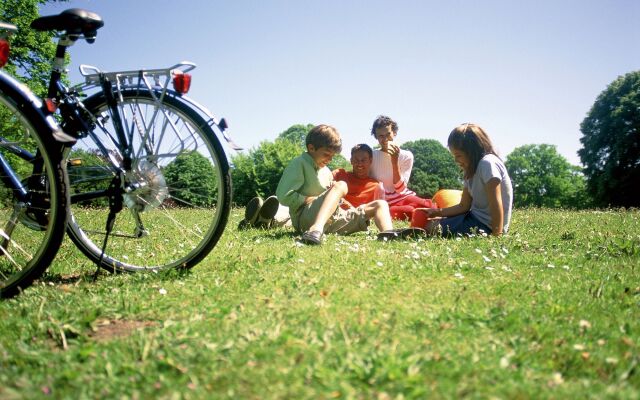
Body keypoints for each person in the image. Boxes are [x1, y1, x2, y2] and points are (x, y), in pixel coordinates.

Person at [275, 124, 421, 245]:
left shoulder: (325, 170)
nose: (330, 159)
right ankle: (315, 230)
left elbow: (330, 198)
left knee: (380, 204)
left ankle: (389, 234)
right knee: (342, 185)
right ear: (312, 148)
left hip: (333, 219)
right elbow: (283, 196)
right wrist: (309, 199)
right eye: (326, 154)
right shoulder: (299, 163)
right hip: (305, 219)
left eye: (332, 156)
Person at [420, 123, 513, 237]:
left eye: (458, 155)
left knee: (429, 228)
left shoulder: (487, 164)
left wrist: (496, 234)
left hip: (486, 226)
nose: (455, 160)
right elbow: (463, 206)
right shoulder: (470, 169)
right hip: (473, 218)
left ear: (472, 151)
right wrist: (436, 212)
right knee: (429, 223)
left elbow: (496, 204)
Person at [368, 115, 435, 220]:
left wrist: (394, 161)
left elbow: (401, 189)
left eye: (388, 134)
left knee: (429, 206)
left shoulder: (407, 156)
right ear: (376, 137)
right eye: (380, 136)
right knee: (406, 211)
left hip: (403, 196)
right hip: (384, 201)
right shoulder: (371, 156)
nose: (385, 139)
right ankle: (407, 211)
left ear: (394, 133)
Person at [332, 144, 385, 208]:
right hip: (335, 213)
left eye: (363, 160)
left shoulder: (376, 186)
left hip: (359, 216)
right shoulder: (339, 174)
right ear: (351, 160)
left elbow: (377, 209)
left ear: (370, 161)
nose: (360, 164)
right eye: (356, 160)